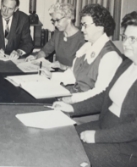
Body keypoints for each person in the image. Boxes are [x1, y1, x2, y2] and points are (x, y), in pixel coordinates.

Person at [52, 11, 137, 167]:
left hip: (127, 146)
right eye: (125, 38)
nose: (125, 44)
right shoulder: (127, 64)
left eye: (133, 39)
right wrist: (72, 107)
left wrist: (98, 137)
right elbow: (105, 96)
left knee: (70, 155)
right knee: (60, 137)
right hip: (105, 127)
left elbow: (134, 128)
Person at [41, 4, 122, 103]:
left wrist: (71, 99)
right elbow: (74, 74)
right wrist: (51, 76)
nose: (82, 29)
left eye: (85, 25)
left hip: (87, 108)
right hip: (75, 97)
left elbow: (100, 93)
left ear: (100, 27)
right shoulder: (87, 46)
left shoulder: (110, 56)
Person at [26, 3, 85, 70]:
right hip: (57, 75)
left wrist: (62, 66)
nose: (55, 24)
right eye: (54, 21)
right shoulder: (58, 33)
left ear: (69, 18)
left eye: (58, 20)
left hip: (73, 77)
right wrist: (36, 57)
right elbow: (45, 51)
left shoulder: (82, 38)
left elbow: (82, 70)